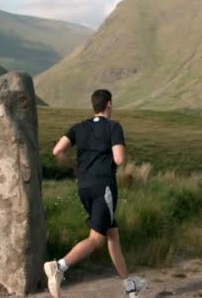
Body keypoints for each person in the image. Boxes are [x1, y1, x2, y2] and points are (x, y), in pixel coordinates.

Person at [44, 89, 147, 298]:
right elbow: (119, 159)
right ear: (109, 104)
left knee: (112, 234)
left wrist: (74, 166)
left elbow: (57, 151)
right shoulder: (114, 127)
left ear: (94, 106)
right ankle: (59, 266)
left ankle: (129, 286)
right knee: (97, 239)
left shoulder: (79, 127)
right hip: (104, 187)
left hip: (84, 186)